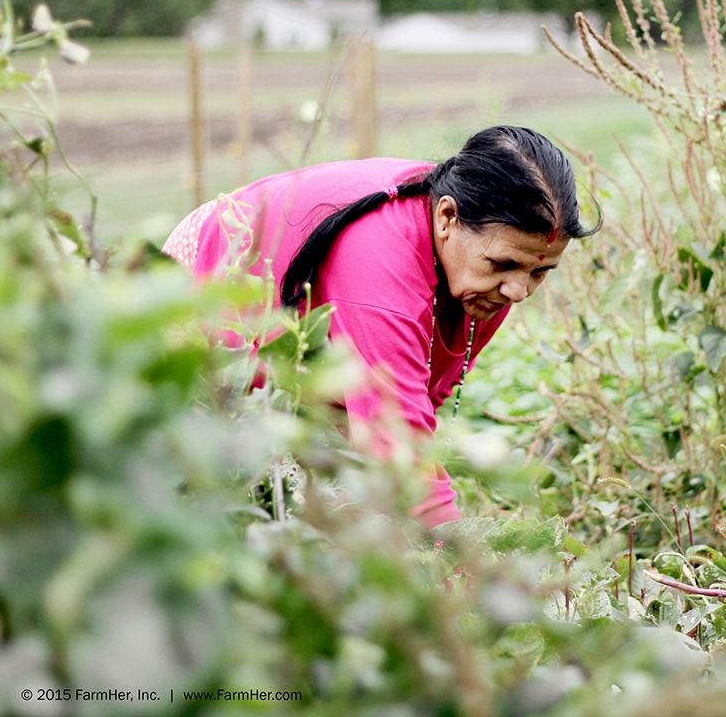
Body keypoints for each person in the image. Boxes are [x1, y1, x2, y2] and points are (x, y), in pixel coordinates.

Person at [162, 125, 600, 528]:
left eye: (539, 273)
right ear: (447, 218)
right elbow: (398, 448)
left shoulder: (489, 270)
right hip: (196, 290)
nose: (519, 292)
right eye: (504, 264)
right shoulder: (380, 262)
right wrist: (467, 576)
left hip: (301, 344)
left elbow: (419, 396)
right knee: (214, 493)